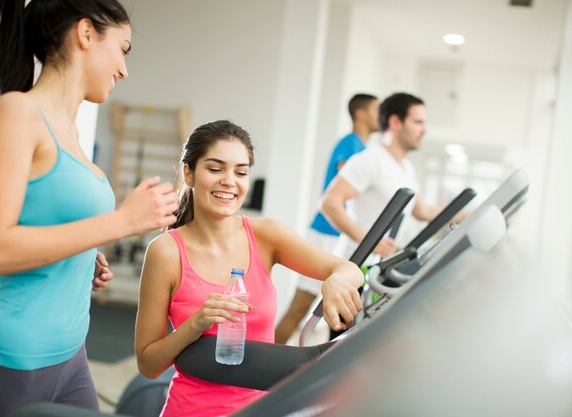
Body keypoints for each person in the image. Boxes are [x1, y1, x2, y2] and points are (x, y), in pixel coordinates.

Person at [0, 1, 179, 416]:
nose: (124, 70)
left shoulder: (71, 132)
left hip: (71, 358)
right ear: (86, 34)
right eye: (123, 49)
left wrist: (78, 253)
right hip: (10, 361)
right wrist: (119, 222)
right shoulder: (18, 112)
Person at [135, 120, 363, 417]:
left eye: (240, 172)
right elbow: (148, 365)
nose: (229, 181)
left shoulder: (265, 235)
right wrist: (196, 324)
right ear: (189, 173)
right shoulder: (165, 251)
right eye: (215, 169)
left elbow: (349, 269)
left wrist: (334, 282)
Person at [275, 93, 388, 345]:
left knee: (337, 311)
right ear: (360, 113)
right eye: (376, 110)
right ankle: (257, 368)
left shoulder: (364, 149)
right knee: (300, 306)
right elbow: (345, 193)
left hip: (339, 238)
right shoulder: (351, 145)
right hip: (326, 234)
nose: (380, 116)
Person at [321, 92, 444, 268]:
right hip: (351, 263)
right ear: (395, 122)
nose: (424, 129)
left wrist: (467, 213)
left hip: (375, 267)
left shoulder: (407, 168)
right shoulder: (370, 159)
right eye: (418, 122)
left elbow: (422, 211)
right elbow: (329, 202)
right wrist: (370, 241)